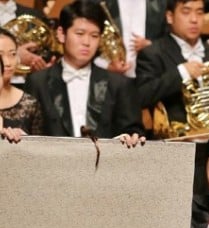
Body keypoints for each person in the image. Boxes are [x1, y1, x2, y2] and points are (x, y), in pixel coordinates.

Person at [23, 0, 144, 144]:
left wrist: (132, 137)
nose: (87, 42)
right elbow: (26, 133)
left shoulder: (119, 84)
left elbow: (133, 131)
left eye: (94, 36)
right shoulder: (38, 82)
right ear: (61, 34)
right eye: (80, 34)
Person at [135, 0, 209, 136]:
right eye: (186, 12)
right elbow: (141, 96)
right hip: (175, 142)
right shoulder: (153, 53)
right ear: (169, 17)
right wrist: (182, 73)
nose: (194, 19)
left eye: (199, 12)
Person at [95, 0, 168, 77]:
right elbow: (88, 40)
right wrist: (108, 66)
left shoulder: (161, 4)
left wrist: (151, 45)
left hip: (152, 78)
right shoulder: (101, 3)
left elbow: (172, 40)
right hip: (109, 79)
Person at [0, 28, 42, 141]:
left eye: (12, 54)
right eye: (0, 55)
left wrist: (25, 142)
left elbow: (41, 150)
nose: (7, 63)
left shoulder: (30, 103)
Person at [0, 0, 53, 76]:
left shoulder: (34, 14)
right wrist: (15, 55)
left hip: (28, 84)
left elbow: (46, 49)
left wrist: (41, 63)